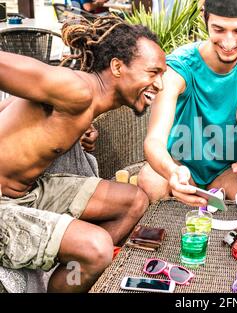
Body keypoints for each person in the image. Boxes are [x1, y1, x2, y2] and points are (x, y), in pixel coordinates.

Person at [0, 16, 166, 292]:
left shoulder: (84, 103)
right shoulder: (75, 89)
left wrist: (77, 136)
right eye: (152, 72)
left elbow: (16, 114)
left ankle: (72, 276)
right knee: (97, 248)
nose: (159, 84)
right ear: (117, 67)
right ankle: (83, 263)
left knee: (134, 200)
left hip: (29, 192)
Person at [138, 0, 237, 209]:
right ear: (204, 17)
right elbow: (154, 140)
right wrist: (173, 173)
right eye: (219, 29)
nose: (228, 42)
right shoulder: (180, 66)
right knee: (151, 180)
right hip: (181, 167)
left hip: (228, 171)